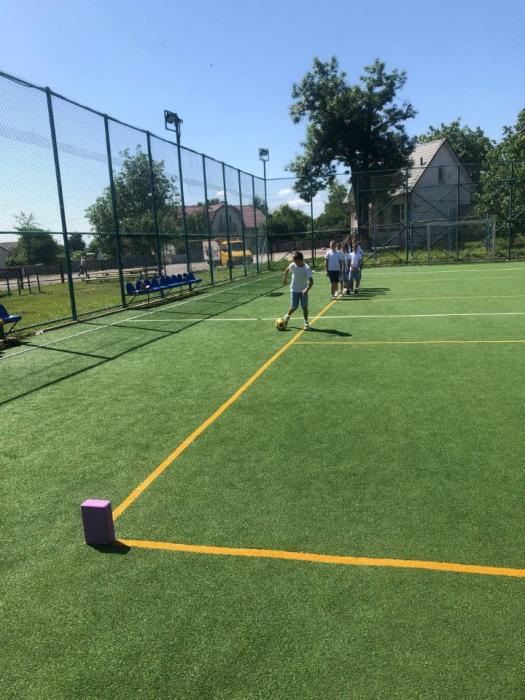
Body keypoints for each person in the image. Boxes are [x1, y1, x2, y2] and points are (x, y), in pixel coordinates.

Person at [282, 251, 314, 330]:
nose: (295, 263)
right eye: (294, 261)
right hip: (294, 289)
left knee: (304, 307)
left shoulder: (307, 268)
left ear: (301, 260)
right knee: (294, 307)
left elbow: (311, 282)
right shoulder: (293, 265)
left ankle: (306, 323)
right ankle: (286, 317)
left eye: (296, 261)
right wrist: (285, 279)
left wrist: (306, 290)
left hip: (304, 290)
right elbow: (287, 270)